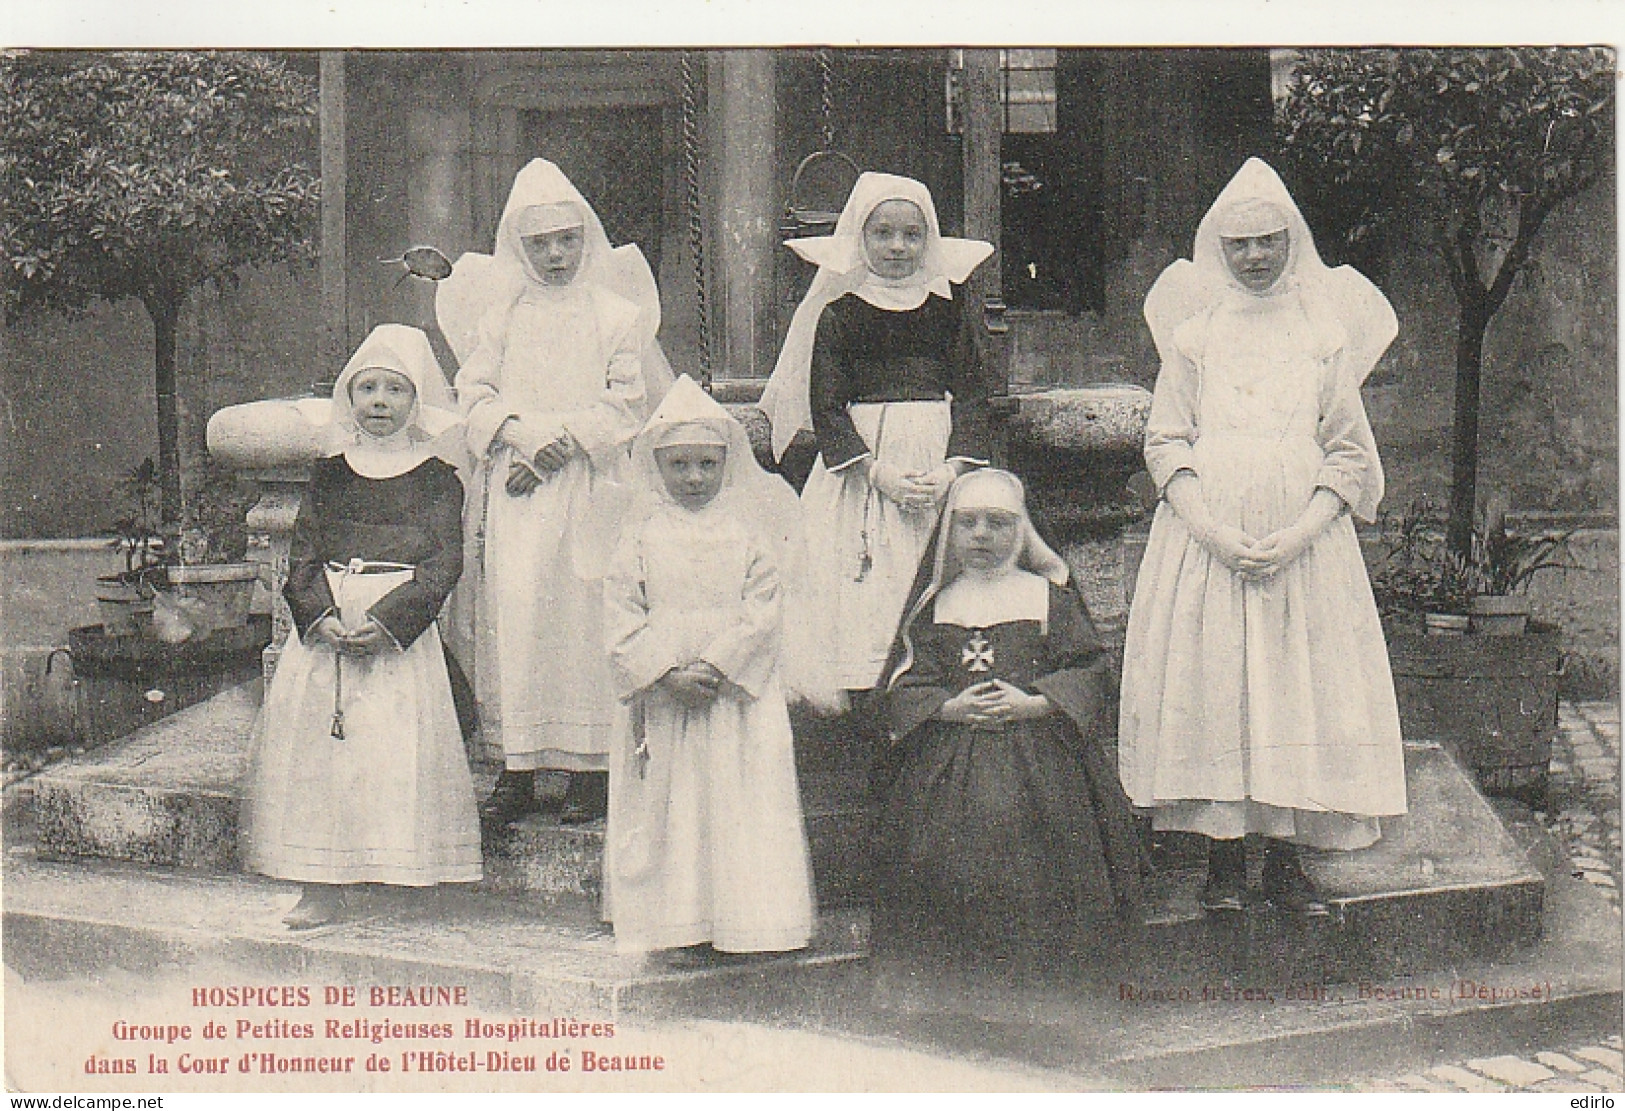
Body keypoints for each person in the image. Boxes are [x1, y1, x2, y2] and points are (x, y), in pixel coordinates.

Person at [1117, 157, 1408, 917]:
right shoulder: (1193, 337)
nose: (1253, 256)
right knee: (1218, 688)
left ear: (1290, 243)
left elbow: (1346, 451)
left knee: (1290, 691)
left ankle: (1282, 860)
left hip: (1298, 549)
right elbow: (1164, 440)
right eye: (1238, 243)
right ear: (1218, 248)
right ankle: (1219, 860)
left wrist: (1295, 535)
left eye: (1267, 242)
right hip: (1206, 543)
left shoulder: (1321, 335)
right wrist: (1208, 528)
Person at [452, 159, 671, 827]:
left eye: (566, 240)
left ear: (585, 239)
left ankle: (587, 770)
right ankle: (518, 767)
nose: (555, 255)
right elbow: (474, 395)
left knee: (581, 621)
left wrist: (562, 445)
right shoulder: (503, 316)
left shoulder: (615, 314)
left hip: (587, 486)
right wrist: (519, 437)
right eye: (540, 243)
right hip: (518, 491)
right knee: (517, 619)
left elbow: (627, 404)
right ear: (519, 247)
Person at [244, 324, 481, 929]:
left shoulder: (436, 477)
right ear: (349, 398)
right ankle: (320, 884)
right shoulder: (331, 471)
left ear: (418, 399)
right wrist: (319, 617)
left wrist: (387, 622)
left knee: (394, 752)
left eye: (396, 389)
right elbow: (303, 552)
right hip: (328, 636)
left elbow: (444, 562)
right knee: (324, 757)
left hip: (395, 635)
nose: (380, 401)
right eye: (367, 387)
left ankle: (396, 873)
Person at [875, 468, 1143, 967]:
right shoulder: (936, 604)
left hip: (1042, 766)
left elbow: (1089, 668)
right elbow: (903, 684)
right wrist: (949, 708)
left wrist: (1036, 702)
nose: (981, 535)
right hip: (948, 769)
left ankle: (1043, 989)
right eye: (967, 522)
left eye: (997, 523)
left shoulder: (1045, 597)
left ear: (1021, 530)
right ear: (949, 532)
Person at [760, 172, 997, 710]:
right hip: (865, 474)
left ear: (928, 240)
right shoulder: (840, 314)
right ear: (860, 240)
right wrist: (878, 472)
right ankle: (871, 719)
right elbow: (827, 407)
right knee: (863, 594)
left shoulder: (946, 311)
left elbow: (973, 394)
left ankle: (933, 707)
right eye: (883, 234)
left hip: (935, 463)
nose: (897, 246)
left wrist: (950, 470)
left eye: (911, 235)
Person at [601, 375, 815, 961]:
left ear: (726, 464)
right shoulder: (639, 535)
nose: (694, 478)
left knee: (738, 801)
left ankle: (749, 919)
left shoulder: (748, 531)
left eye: (706, 465)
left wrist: (718, 665)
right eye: (679, 465)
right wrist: (665, 671)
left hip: (733, 696)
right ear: (657, 467)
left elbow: (763, 609)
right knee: (671, 807)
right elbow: (622, 613)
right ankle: (675, 922)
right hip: (667, 693)